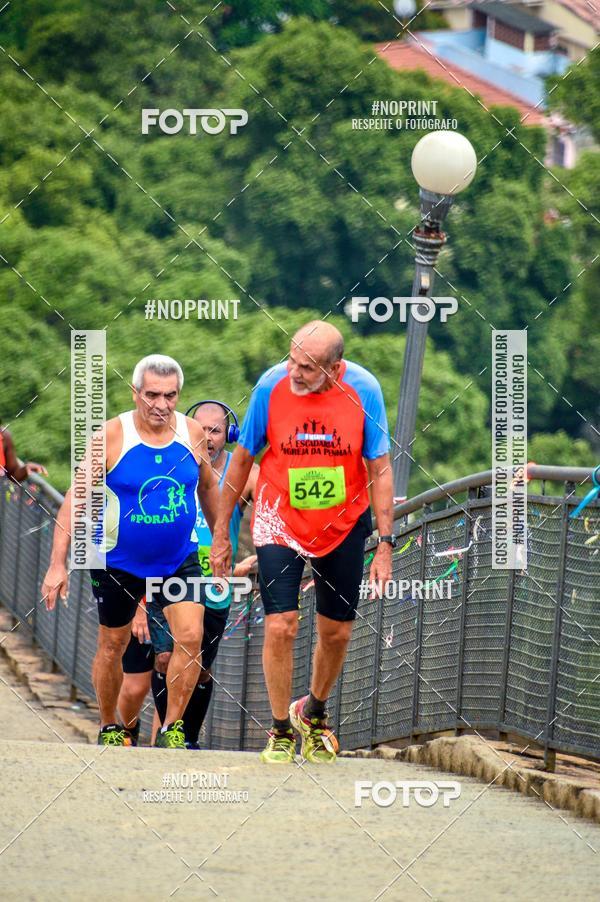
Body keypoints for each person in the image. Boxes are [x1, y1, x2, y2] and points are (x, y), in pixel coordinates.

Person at [211, 321, 394, 764]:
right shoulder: (270, 387)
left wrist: (385, 544)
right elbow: (241, 462)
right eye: (292, 360)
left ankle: (312, 712)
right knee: (281, 624)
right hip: (279, 519)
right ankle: (277, 730)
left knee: (336, 632)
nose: (294, 372)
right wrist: (221, 532)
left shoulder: (364, 390)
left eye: (308, 367)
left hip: (343, 521)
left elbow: (381, 469)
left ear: (335, 368)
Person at [41, 355, 220, 748]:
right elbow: (75, 499)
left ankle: (173, 728)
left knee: (190, 638)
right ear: (136, 392)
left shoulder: (191, 432)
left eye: (170, 395)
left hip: (178, 560)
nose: (161, 405)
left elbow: (207, 487)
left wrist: (221, 539)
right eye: (152, 395)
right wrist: (58, 563)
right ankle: (110, 726)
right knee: (113, 646)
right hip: (118, 561)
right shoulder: (112, 435)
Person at [149, 400, 258, 748]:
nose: (208, 437)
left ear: (230, 435)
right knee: (166, 657)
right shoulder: (170, 462)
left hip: (216, 580)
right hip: (170, 571)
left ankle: (188, 739)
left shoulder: (245, 474)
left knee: (201, 666)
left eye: (216, 430)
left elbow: (273, 513)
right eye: (202, 428)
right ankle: (170, 731)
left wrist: (256, 558)